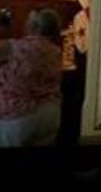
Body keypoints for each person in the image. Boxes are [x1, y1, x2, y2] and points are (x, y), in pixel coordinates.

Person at [0, 9, 63, 147]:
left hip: (18, 116)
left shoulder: (15, 47)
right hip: (50, 113)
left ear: (34, 26)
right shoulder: (56, 51)